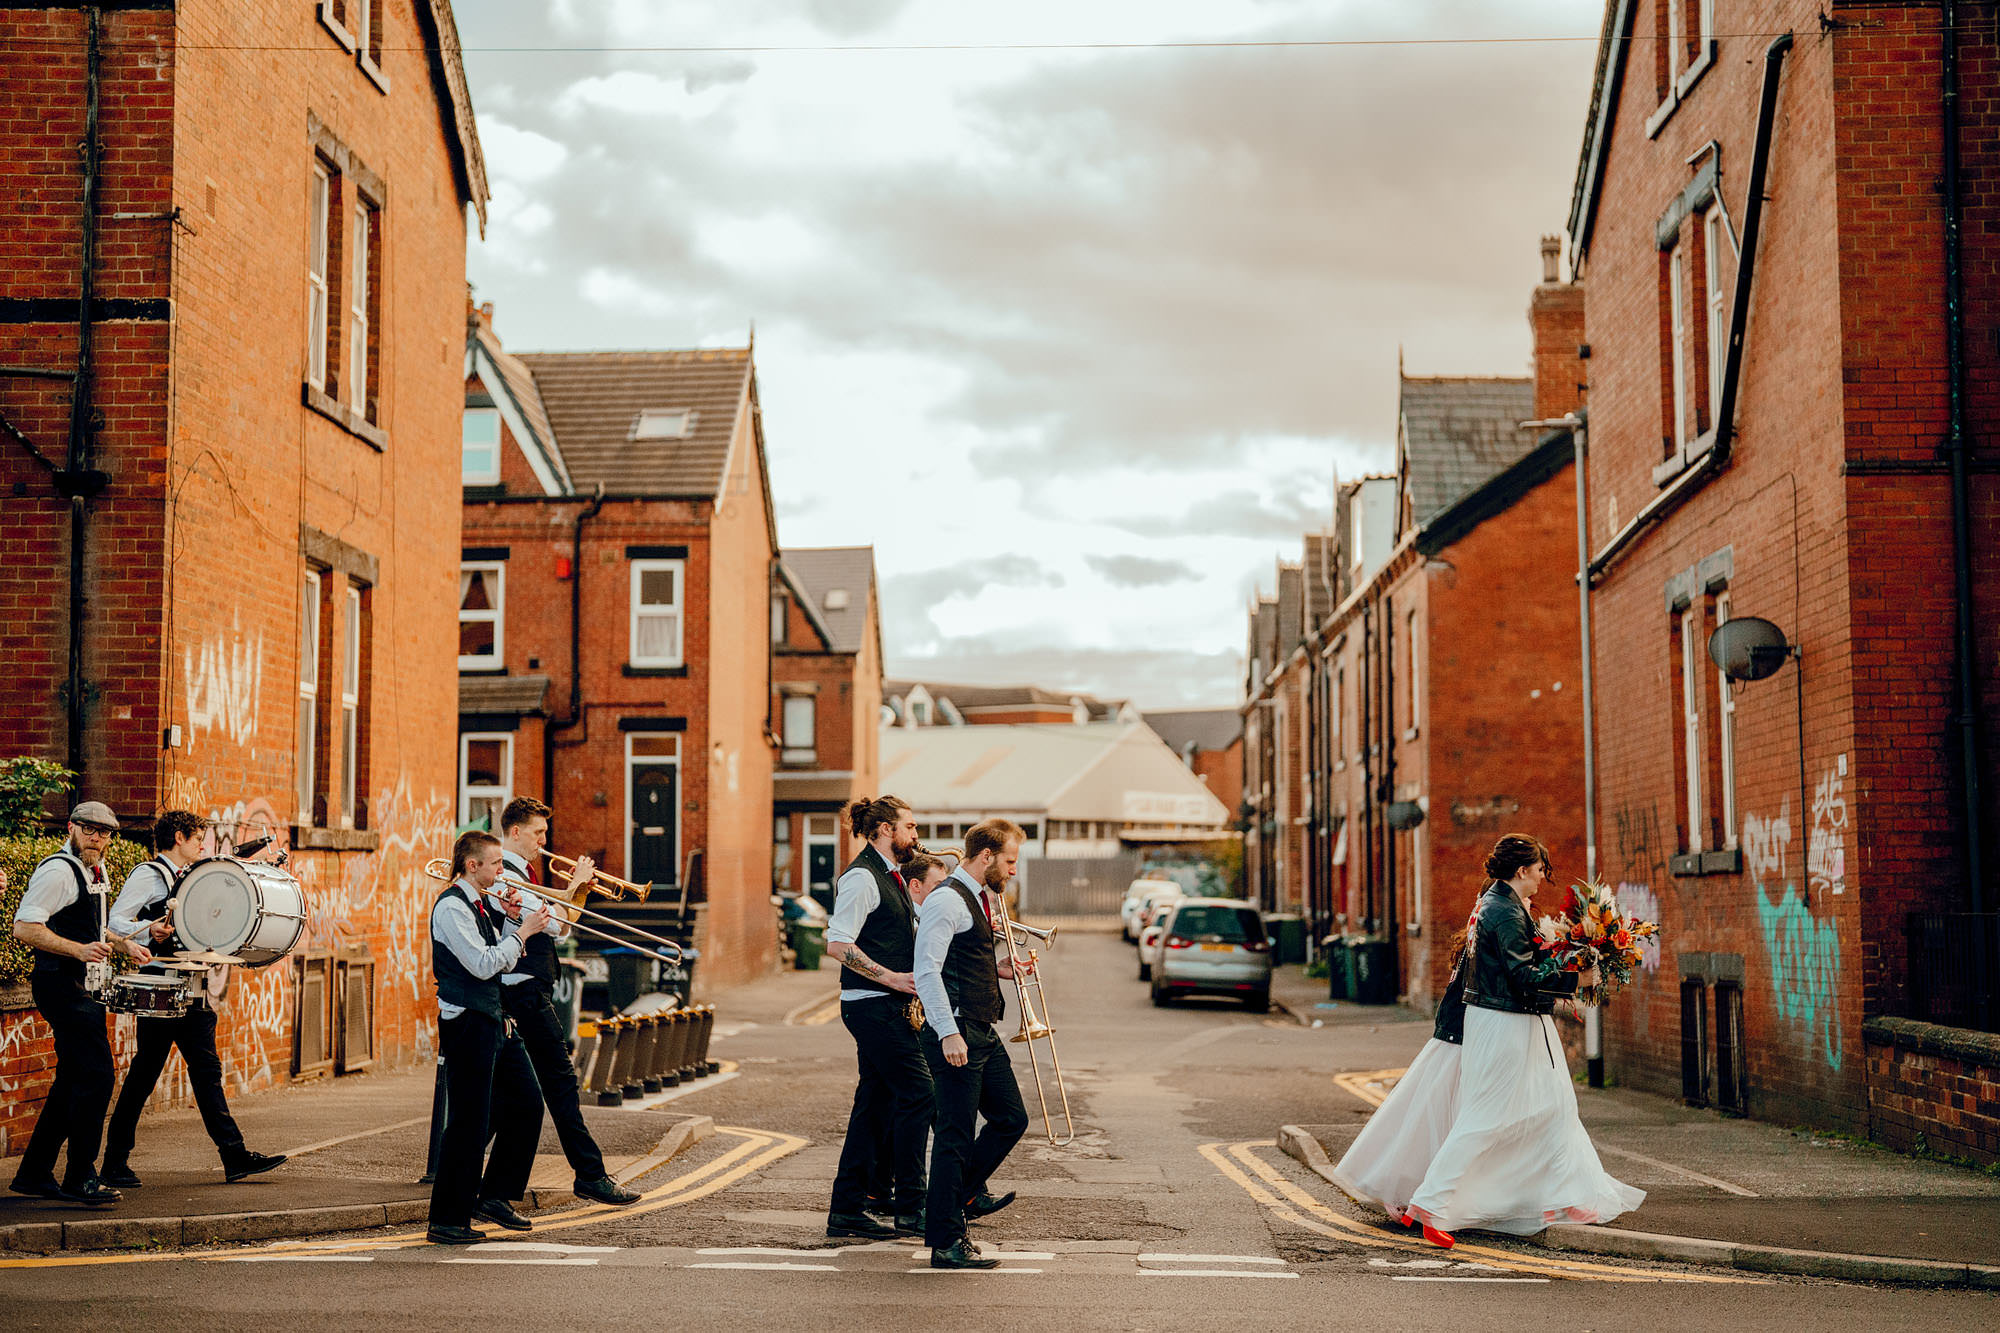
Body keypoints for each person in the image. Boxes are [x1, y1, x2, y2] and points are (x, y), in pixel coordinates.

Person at [1404, 834, 1643, 1248]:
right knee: (1486, 1118)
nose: (1540, 880)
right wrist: (1577, 978)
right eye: (1538, 872)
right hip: (1504, 1023)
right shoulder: (1505, 911)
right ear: (1521, 871)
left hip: (1510, 1020)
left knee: (1554, 1108)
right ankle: (1427, 1206)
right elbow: (1522, 976)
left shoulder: (1496, 904)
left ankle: (1563, 1200)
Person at [100, 810, 286, 1187]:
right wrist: (148, 931)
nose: (203, 845)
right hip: (162, 989)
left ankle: (233, 1155)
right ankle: (114, 1162)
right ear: (179, 837)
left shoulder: (192, 878)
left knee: (205, 1073)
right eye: (197, 838)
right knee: (145, 1075)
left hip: (191, 988)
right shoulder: (148, 875)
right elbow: (115, 922)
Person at [494, 798, 640, 1208]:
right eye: (538, 833)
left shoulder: (524, 873)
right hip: (520, 993)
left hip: (527, 992)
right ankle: (590, 1174)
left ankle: (478, 1184)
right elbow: (557, 925)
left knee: (508, 1098)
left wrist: (579, 890)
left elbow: (564, 922)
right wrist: (575, 884)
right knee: (558, 1084)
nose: (545, 841)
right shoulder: (506, 874)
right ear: (516, 832)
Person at [8, 801, 151, 1206]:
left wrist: (125, 944)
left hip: (79, 986)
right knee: (97, 1077)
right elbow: (25, 926)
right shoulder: (58, 871)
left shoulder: (95, 871)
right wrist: (78, 951)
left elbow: (92, 926)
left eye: (104, 833)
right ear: (71, 827)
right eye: (88, 829)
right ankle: (80, 1176)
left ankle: (35, 1172)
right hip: (59, 985)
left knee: (72, 1079)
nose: (97, 838)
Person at [914, 818, 1033, 1270]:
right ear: (987, 857)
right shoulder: (947, 899)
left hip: (981, 1030)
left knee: (1010, 1119)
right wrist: (947, 1032)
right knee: (954, 1136)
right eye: (1009, 861)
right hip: (957, 1032)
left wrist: (997, 969)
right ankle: (945, 1241)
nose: (1013, 870)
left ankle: (954, 1199)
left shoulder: (980, 899)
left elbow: (961, 960)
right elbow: (926, 970)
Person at [427, 830, 551, 1245]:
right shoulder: (452, 908)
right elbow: (482, 965)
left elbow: (494, 957)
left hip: (493, 1016)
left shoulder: (480, 903)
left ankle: (495, 1195)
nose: (503, 870)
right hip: (467, 1023)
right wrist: (524, 932)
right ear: (471, 865)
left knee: (527, 1102)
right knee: (468, 1121)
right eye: (496, 864)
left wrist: (514, 920)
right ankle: (447, 1219)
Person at [823, 796, 930, 1241]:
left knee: (875, 1106)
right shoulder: (863, 878)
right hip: (871, 1005)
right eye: (909, 826)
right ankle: (910, 1206)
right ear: (886, 829)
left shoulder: (889, 876)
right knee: (922, 1094)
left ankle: (848, 1208)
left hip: (883, 1004)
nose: (915, 834)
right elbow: (837, 945)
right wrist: (893, 978)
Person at [1330, 916, 1471, 1224]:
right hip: (1459, 1036)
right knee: (1437, 1118)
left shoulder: (1475, 935)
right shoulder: (1487, 932)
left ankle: (1415, 1194)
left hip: (1453, 1034)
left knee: (1436, 1117)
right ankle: (1406, 1192)